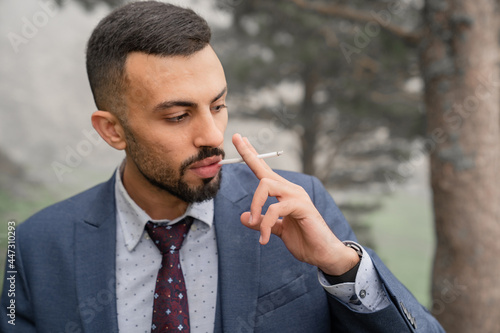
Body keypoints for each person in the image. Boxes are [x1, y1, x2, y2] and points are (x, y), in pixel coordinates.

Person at [0, 1, 444, 332]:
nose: (212, 135)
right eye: (178, 116)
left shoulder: (297, 206)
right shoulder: (37, 247)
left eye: (218, 105)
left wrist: (340, 265)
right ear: (111, 130)